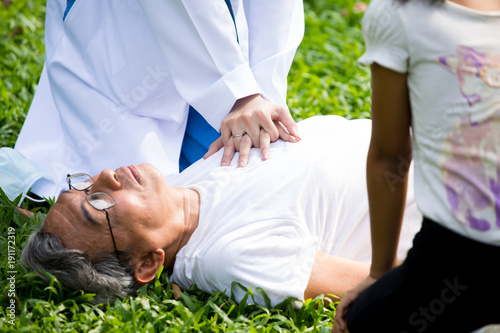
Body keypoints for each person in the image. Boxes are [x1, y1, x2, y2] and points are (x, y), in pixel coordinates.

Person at [21, 115, 423, 306]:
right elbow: (396, 285)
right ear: (146, 265)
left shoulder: (184, 182)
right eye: (99, 204)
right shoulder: (230, 257)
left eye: (85, 186)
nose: (106, 175)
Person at [14, 0, 303, 200]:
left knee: (239, 181)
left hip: (225, 36)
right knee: (142, 201)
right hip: (125, 39)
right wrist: (237, 95)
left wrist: (261, 97)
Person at [333, 1, 500, 332]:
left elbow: (389, 156)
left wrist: (379, 273)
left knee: (361, 321)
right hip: (462, 257)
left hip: (460, 256)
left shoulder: (401, 14)